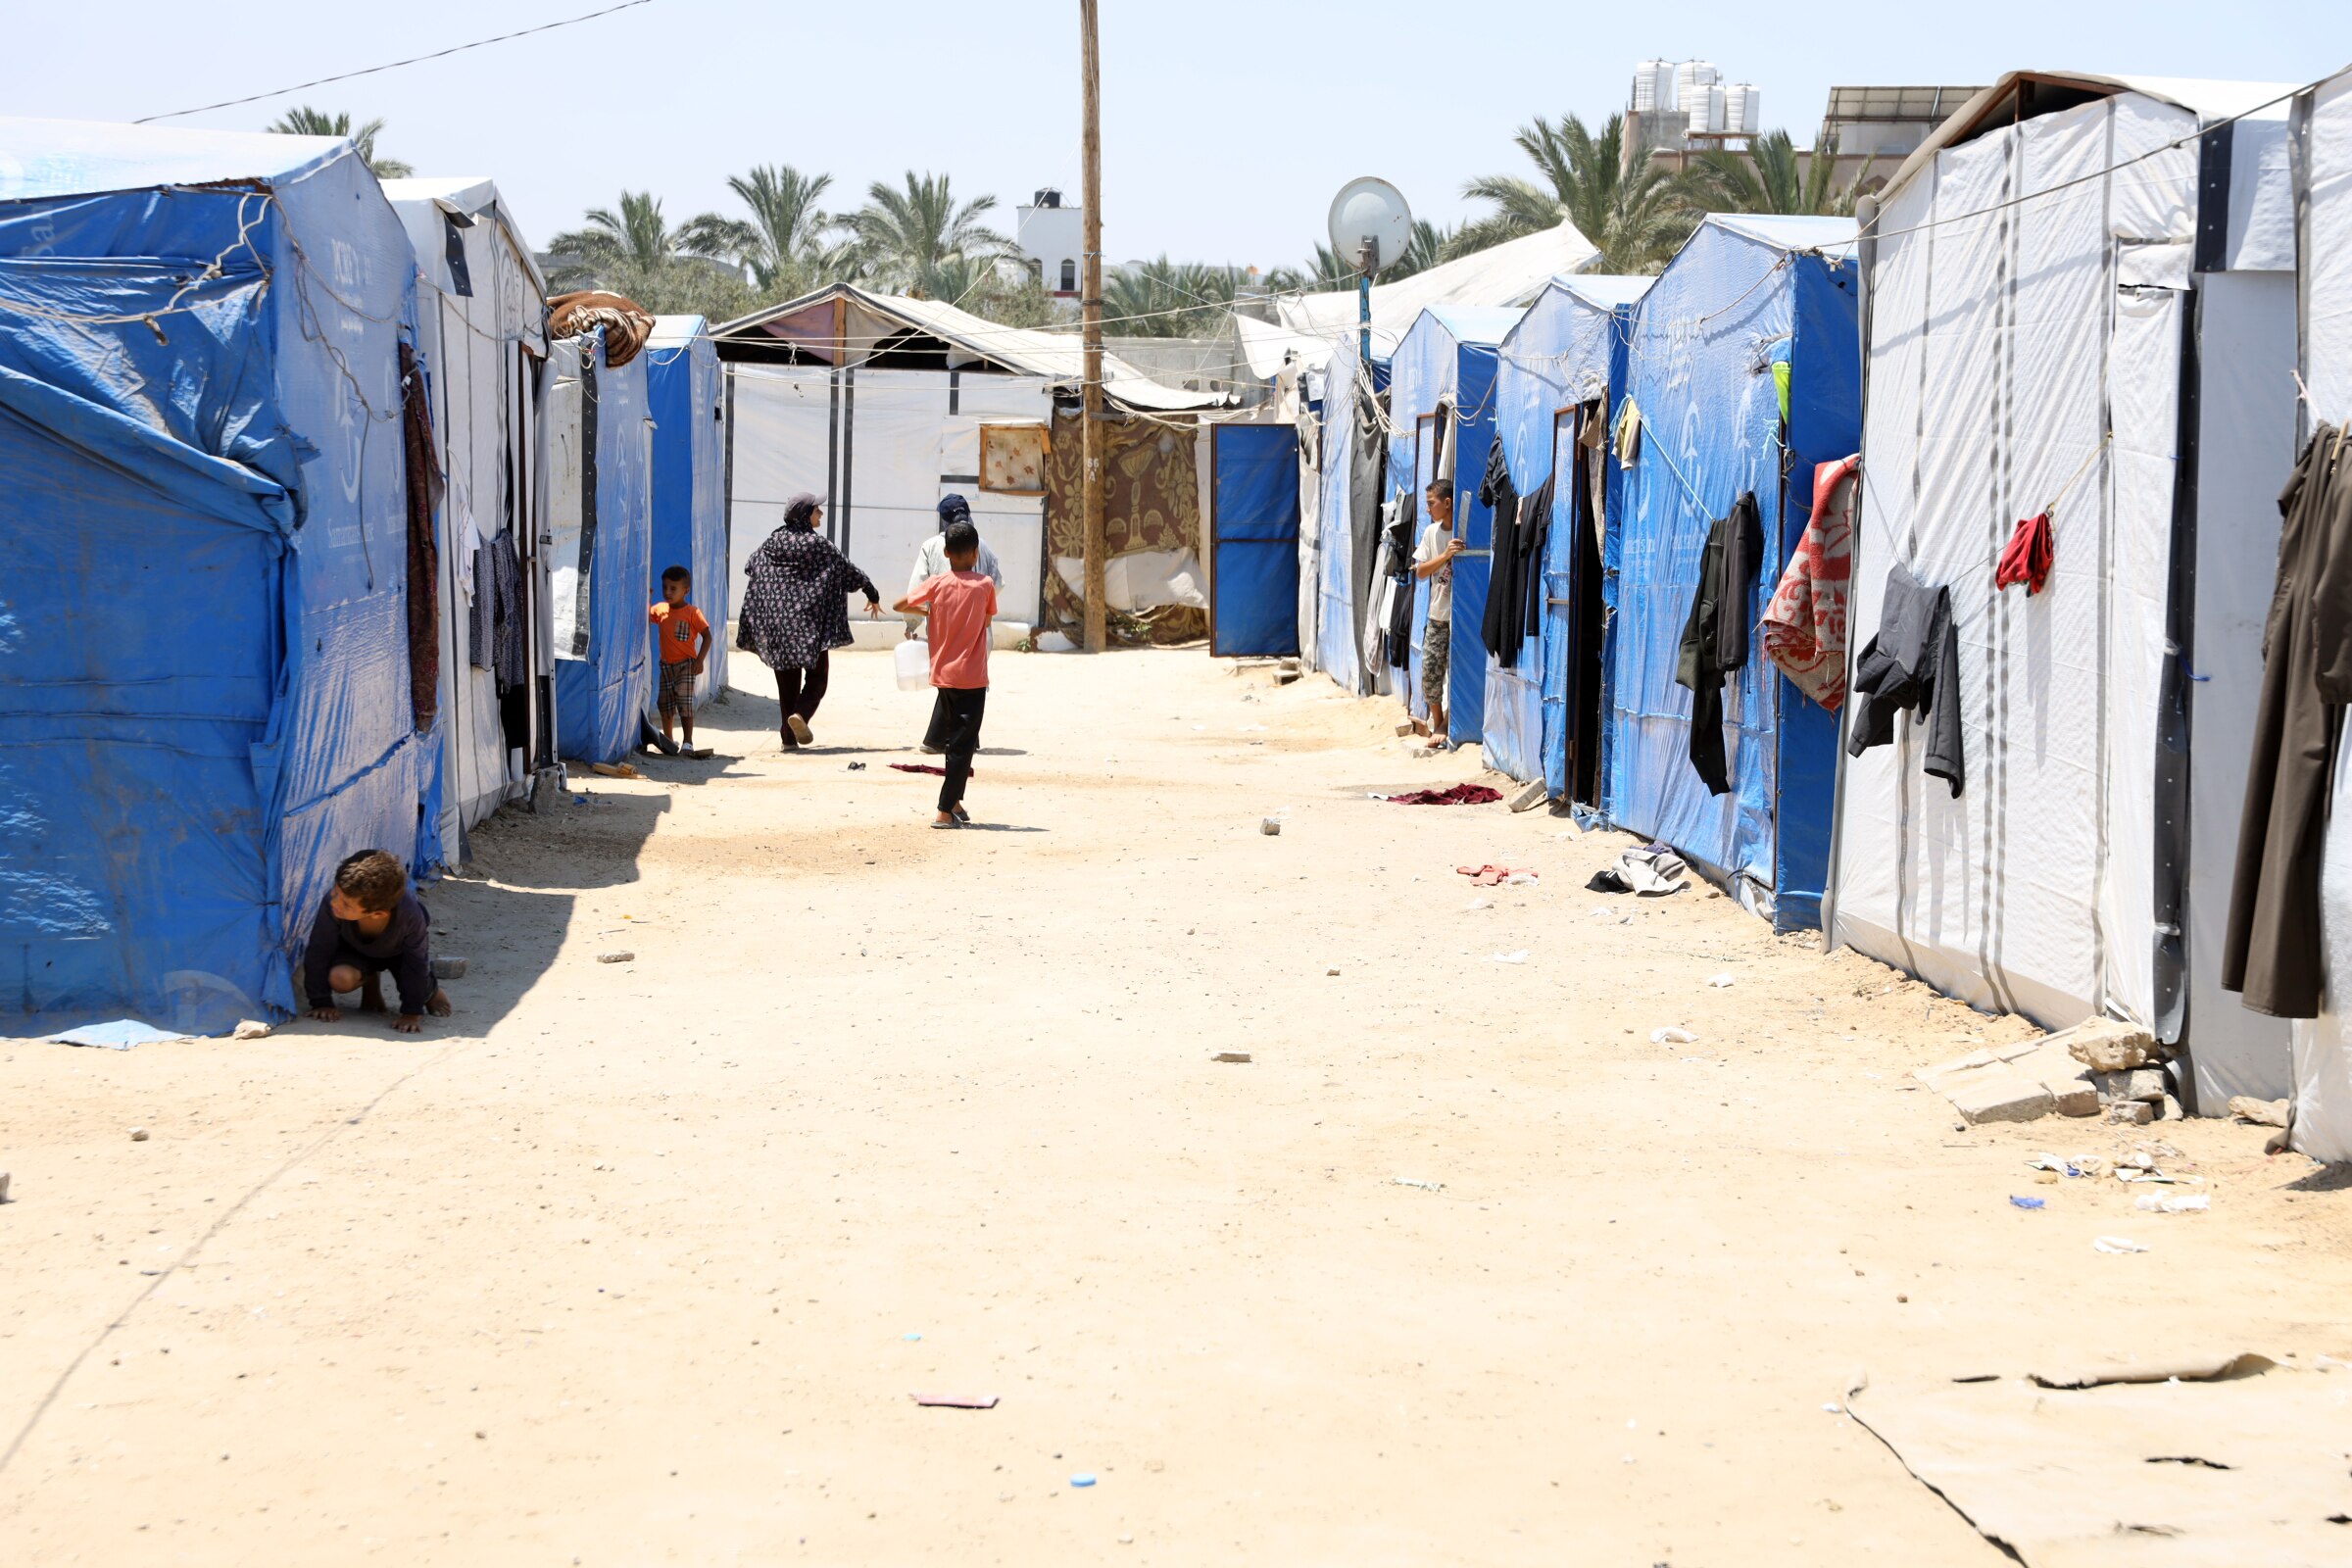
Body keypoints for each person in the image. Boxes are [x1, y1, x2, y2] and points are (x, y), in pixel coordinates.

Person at [737, 493, 881, 751]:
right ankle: (801, 715)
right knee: (817, 678)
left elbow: (751, 566)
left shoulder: (773, 541)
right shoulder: (817, 546)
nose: (821, 514)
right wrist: (871, 591)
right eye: (817, 510)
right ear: (805, 515)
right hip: (808, 626)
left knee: (786, 685)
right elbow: (846, 569)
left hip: (777, 626)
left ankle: (788, 740)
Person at [894, 517, 997, 828]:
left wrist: (929, 610)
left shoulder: (936, 584)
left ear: (947, 553)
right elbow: (987, 622)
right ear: (976, 553)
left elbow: (900, 604)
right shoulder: (985, 585)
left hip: (943, 675)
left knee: (955, 742)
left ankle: (954, 802)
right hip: (972, 677)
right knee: (962, 747)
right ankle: (943, 810)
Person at [303, 850, 450, 1034]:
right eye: (335, 893)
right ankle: (370, 984)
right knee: (340, 978)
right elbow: (319, 950)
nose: (336, 904)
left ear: (378, 914)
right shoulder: (334, 904)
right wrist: (321, 1002)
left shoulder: (411, 917)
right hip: (356, 950)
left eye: (346, 905)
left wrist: (411, 1013)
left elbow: (416, 963)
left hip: (400, 955)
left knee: (415, 979)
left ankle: (433, 991)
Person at [909, 495, 1004, 752]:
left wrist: (912, 623)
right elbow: (998, 583)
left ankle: (949, 739)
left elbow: (917, 586)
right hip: (979, 628)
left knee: (950, 681)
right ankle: (958, 739)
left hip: (945, 629)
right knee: (971, 681)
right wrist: (982, 608)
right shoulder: (980, 544)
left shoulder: (932, 545)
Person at [1411, 478, 1460, 749]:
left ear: (1448, 503)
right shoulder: (1432, 533)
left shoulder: (1464, 530)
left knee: (1458, 672)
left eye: (1432, 503)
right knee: (1430, 672)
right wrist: (1445, 556)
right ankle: (1438, 721)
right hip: (1437, 615)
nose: (1428, 509)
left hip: (1460, 618)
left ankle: (1445, 725)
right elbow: (1420, 572)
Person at [647, 564, 712, 755]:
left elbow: (707, 635)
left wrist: (699, 660)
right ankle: (669, 740)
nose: (668, 592)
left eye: (673, 588)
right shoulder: (660, 609)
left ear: (686, 590)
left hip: (686, 666)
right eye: (665, 587)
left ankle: (688, 742)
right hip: (666, 666)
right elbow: (648, 614)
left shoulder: (693, 612)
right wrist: (648, 597)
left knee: (684, 701)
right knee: (664, 703)